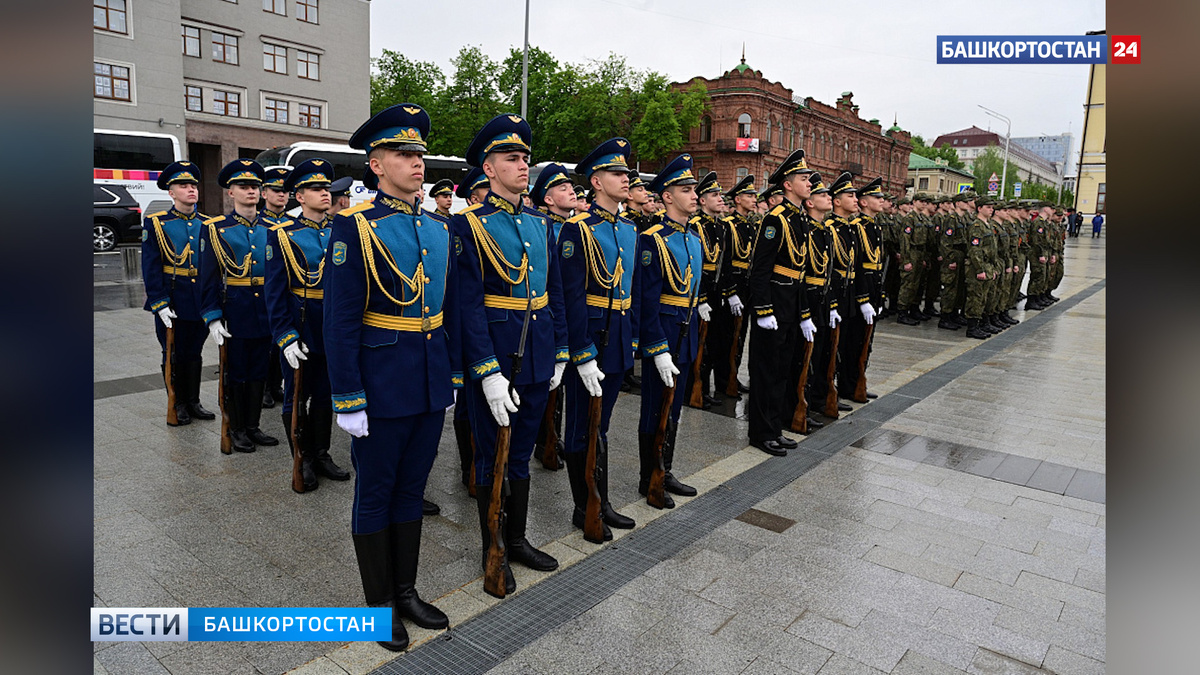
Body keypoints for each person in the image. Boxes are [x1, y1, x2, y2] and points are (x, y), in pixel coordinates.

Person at [324, 103, 451, 651]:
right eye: (403, 154)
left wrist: (454, 378)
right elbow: (339, 321)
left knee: (411, 490)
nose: (416, 162)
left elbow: (450, 311)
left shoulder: (440, 227)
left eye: (419, 153)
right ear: (376, 165)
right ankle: (379, 607)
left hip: (428, 383)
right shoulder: (354, 227)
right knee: (375, 493)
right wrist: (348, 397)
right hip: (379, 385)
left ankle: (406, 591)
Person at [452, 113, 566, 595]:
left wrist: (560, 351)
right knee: (491, 457)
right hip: (498, 358)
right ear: (488, 168)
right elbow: (467, 305)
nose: (523, 166)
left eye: (525, 158)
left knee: (520, 454)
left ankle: (516, 539)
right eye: (512, 158)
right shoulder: (468, 226)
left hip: (537, 353)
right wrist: (487, 371)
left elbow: (555, 293)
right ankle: (492, 548)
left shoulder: (540, 223)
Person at [556, 139, 640, 539]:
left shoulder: (628, 228)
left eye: (626, 173)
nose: (626, 179)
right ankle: (584, 505)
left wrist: (634, 340)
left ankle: (601, 502)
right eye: (617, 173)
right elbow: (570, 296)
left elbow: (632, 291)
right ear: (596, 181)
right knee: (582, 426)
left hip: (619, 337)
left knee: (601, 426)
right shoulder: (578, 229)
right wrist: (581, 351)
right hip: (591, 339)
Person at [265, 158, 351, 492]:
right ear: (299, 196)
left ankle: (321, 453)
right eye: (316, 189)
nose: (325, 193)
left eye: (326, 188)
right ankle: (301, 458)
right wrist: (285, 336)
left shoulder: (341, 230)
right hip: (301, 325)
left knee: (326, 394)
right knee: (297, 395)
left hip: (333, 325)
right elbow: (275, 292)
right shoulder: (283, 234)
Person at [636, 154, 703, 504]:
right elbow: (646, 301)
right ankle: (650, 476)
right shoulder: (653, 239)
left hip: (686, 330)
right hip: (663, 330)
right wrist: (657, 347)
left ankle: (666, 469)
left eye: (694, 189)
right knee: (655, 407)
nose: (694, 195)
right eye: (686, 190)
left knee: (674, 407)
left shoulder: (693, 237)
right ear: (667, 196)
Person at [201, 159, 279, 453]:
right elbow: (208, 277)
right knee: (236, 372)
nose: (251, 191)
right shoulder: (216, 229)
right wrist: (212, 316)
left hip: (266, 310)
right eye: (244, 186)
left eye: (255, 186)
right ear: (230, 192)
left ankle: (253, 425)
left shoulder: (274, 228)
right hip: (235, 309)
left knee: (259, 370)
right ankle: (236, 428)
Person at [746, 150, 815, 456]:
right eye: (803, 178)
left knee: (782, 372)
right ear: (787, 184)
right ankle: (761, 433)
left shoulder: (800, 218)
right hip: (773, 306)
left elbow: (800, 272)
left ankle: (774, 428)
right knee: (765, 372)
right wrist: (763, 310)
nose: (809, 183)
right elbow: (760, 269)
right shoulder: (775, 220)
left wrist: (803, 313)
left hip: (790, 306)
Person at [142, 161, 218, 426]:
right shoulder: (156, 223)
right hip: (173, 298)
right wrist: (159, 302)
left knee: (194, 352)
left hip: (200, 299)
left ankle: (193, 401)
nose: (191, 189)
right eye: (184, 186)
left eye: (193, 185)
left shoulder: (208, 224)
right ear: (171, 192)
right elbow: (151, 267)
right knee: (173, 352)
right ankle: (177, 403)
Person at [530, 162, 574, 472]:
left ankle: (553, 437)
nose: (571, 191)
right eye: (562, 188)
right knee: (549, 390)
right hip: (549, 318)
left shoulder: (574, 229)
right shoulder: (546, 229)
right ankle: (545, 440)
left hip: (570, 318)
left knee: (561, 389)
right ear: (547, 199)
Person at [711, 175, 758, 398]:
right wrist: (730, 292)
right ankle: (723, 381)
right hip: (733, 285)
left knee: (740, 336)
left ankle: (733, 377)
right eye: (749, 195)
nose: (754, 199)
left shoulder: (749, 226)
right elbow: (725, 261)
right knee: (727, 336)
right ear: (738, 199)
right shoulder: (728, 225)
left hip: (746, 286)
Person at [684, 171, 725, 410]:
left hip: (716, 290)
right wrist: (700, 298)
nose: (720, 199)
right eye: (714, 195)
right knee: (699, 344)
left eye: (720, 195)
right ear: (702, 200)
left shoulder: (719, 226)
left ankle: (705, 388)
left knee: (713, 344)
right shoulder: (696, 226)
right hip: (702, 289)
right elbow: (695, 265)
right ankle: (693, 390)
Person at [258, 167, 292, 409]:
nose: (281, 195)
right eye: (276, 190)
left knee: (281, 340)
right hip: (262, 291)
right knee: (264, 344)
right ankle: (263, 387)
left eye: (285, 191)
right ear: (264, 193)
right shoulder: (257, 222)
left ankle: (276, 384)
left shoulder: (292, 224)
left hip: (286, 290)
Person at [963, 196, 999, 339]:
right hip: (977, 266)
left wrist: (993, 268)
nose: (991, 210)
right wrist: (979, 269)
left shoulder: (988, 225)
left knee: (984, 297)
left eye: (992, 207)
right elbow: (975, 249)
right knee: (975, 297)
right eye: (988, 207)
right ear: (979, 208)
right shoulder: (976, 226)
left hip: (988, 265)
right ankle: (972, 328)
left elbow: (992, 249)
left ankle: (981, 324)